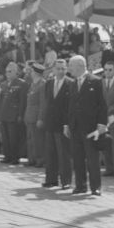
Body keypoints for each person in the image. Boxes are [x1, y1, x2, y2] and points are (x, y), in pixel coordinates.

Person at [65, 55, 107, 196]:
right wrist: (67, 125)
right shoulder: (72, 83)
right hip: (75, 126)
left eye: (71, 66)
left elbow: (102, 105)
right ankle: (80, 185)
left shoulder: (95, 82)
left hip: (90, 128)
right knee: (77, 158)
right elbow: (69, 106)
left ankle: (96, 187)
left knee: (92, 159)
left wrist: (101, 125)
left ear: (80, 66)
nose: (69, 69)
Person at [43, 59, 74, 189]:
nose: (61, 71)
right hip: (50, 123)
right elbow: (47, 103)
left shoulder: (70, 83)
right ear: (53, 70)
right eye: (58, 68)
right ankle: (51, 179)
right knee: (50, 153)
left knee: (64, 154)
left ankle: (66, 181)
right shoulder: (49, 83)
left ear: (66, 69)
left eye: (63, 68)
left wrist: (68, 124)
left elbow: (71, 107)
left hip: (63, 125)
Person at [0, 61, 27, 165]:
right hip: (4, 114)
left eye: (10, 71)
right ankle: (7, 156)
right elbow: (0, 101)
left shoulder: (21, 83)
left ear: (16, 72)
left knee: (14, 138)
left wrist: (20, 115)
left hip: (14, 115)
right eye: (6, 71)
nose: (7, 73)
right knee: (5, 138)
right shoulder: (4, 84)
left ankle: (15, 157)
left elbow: (22, 101)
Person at [24, 63, 46, 168]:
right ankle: (31, 158)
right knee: (30, 139)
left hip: (36, 116)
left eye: (32, 71)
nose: (30, 73)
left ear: (36, 73)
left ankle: (40, 159)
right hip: (29, 116)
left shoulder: (42, 84)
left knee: (38, 140)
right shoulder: (33, 84)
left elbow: (43, 103)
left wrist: (40, 118)